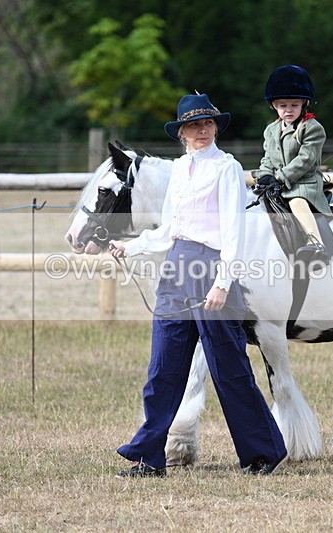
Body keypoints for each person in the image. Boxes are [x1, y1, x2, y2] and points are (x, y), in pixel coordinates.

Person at [109, 93, 288, 477]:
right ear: (182, 133)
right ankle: (148, 457)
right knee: (163, 369)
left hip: (213, 270)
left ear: (215, 127)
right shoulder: (179, 170)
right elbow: (170, 228)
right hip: (176, 272)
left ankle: (262, 454)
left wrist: (223, 282)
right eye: (193, 125)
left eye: (207, 123)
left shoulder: (227, 168)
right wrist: (133, 246)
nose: (201, 130)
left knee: (229, 369)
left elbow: (234, 230)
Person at [251, 65, 332, 264]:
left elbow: (305, 160)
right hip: (277, 184)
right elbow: (268, 158)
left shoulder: (312, 128)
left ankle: (315, 242)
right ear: (274, 105)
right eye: (283, 105)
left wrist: (279, 177)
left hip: (304, 184)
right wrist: (264, 176)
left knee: (296, 201)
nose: (288, 110)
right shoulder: (271, 130)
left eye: (294, 105)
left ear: (304, 103)